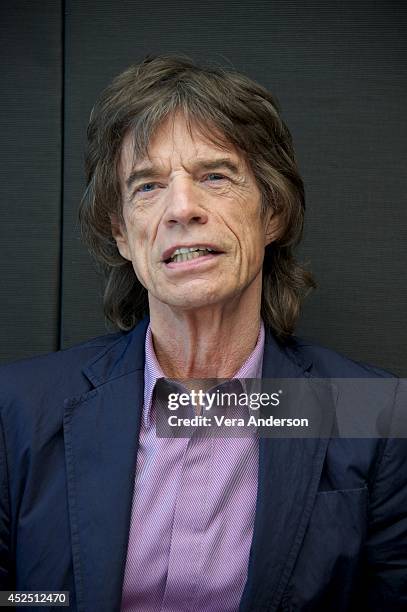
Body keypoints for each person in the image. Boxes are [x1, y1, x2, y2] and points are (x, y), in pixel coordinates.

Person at [0, 55, 406, 612]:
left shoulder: (374, 417)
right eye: (147, 186)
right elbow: (19, 599)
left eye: (215, 175)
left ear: (273, 212)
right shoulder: (17, 409)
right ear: (121, 233)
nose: (182, 208)